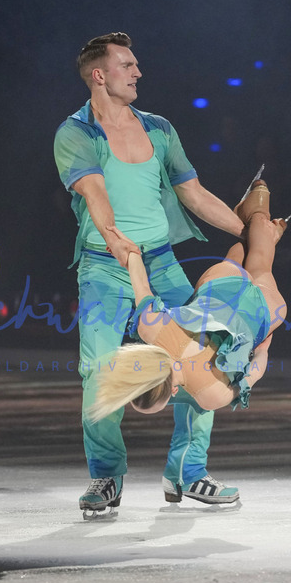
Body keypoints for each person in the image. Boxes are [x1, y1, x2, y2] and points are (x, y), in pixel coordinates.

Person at [53, 32, 245, 515]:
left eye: (136, 64)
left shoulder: (159, 128)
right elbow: (95, 194)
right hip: (104, 266)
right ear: (100, 75)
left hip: (160, 261)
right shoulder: (76, 133)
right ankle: (106, 476)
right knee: (99, 370)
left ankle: (187, 472)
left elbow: (194, 193)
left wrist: (252, 232)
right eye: (127, 65)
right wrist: (115, 240)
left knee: (201, 357)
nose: (138, 72)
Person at [89, 181, 288, 498]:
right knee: (249, 253)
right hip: (219, 284)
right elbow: (138, 276)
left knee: (262, 259)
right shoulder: (153, 329)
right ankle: (255, 213)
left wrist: (264, 345)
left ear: (172, 392)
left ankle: (262, 217)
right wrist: (125, 247)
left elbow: (257, 369)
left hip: (261, 311)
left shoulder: (211, 395)